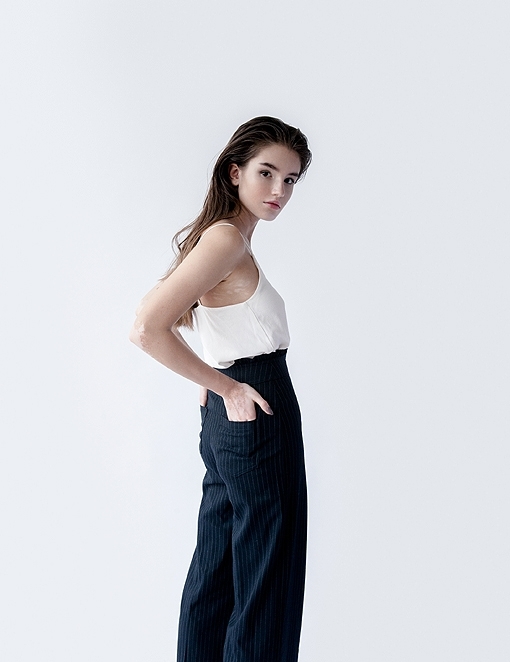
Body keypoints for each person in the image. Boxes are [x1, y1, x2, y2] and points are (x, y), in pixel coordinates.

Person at [129, 116, 312, 662]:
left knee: (217, 572)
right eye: (266, 173)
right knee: (265, 582)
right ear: (235, 173)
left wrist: (215, 381)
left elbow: (208, 324)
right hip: (255, 403)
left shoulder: (226, 238)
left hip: (232, 414)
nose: (279, 190)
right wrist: (225, 385)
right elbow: (146, 327)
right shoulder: (227, 238)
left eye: (290, 179)